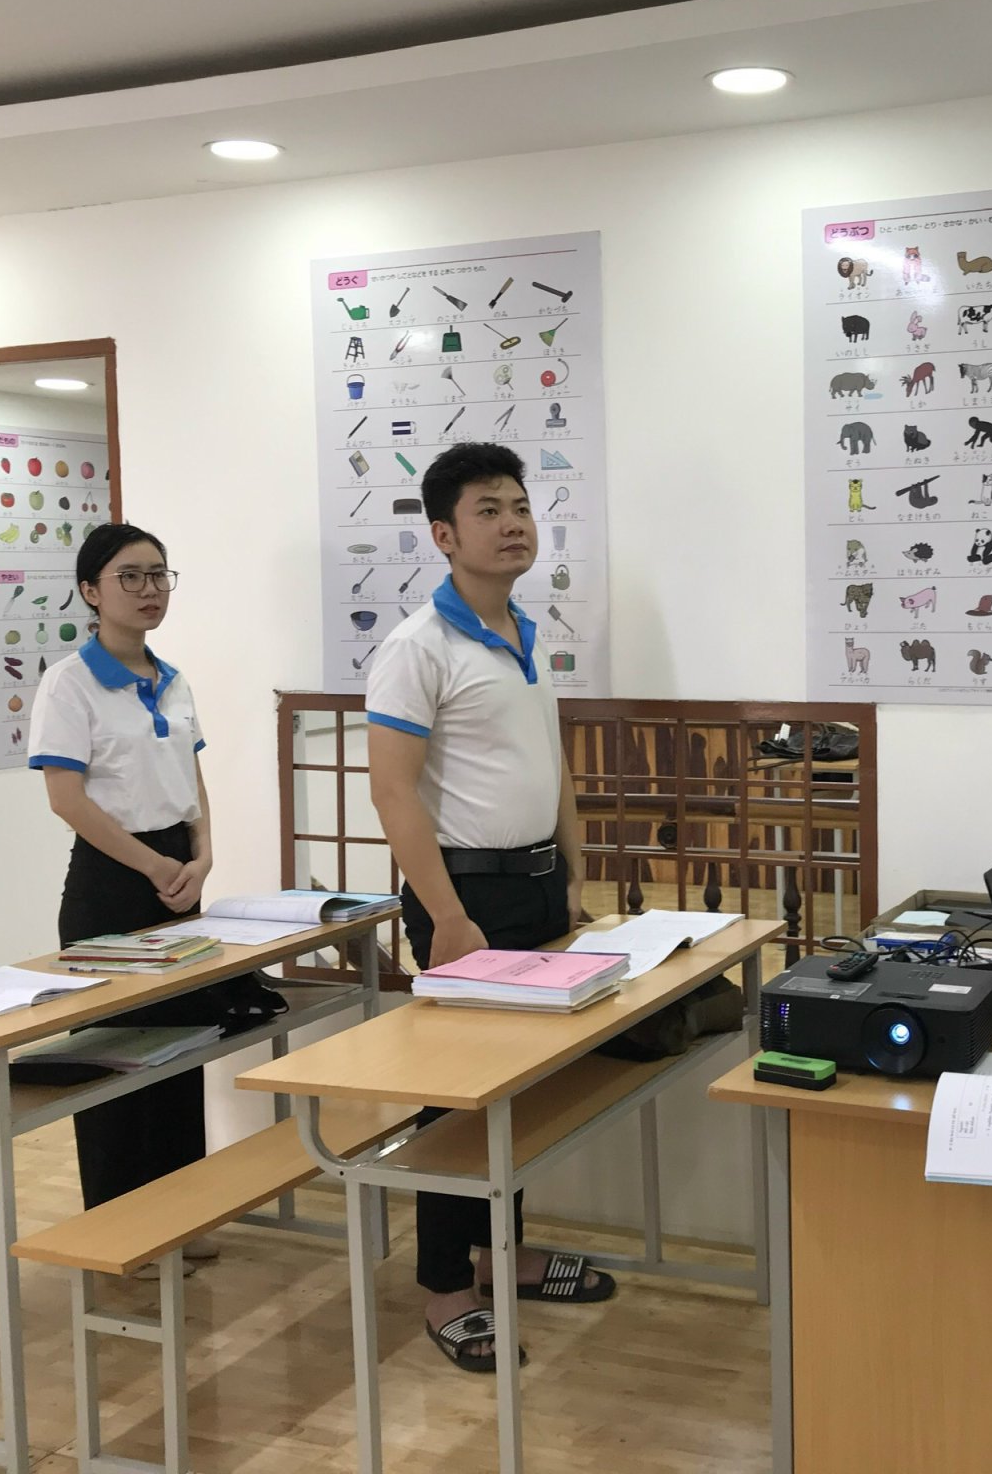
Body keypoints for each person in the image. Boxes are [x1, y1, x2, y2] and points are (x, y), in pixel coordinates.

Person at [364, 441, 613, 1373]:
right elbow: (393, 792)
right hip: (465, 897)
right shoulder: (415, 648)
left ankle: (502, 1253)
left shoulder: (524, 634)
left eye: (519, 507)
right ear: (443, 534)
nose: (512, 524)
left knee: (518, 1090)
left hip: (535, 886)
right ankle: (444, 1287)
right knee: (456, 1100)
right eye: (488, 510)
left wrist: (573, 874)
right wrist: (447, 915)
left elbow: (552, 769)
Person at [28, 524, 250, 1263]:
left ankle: (179, 1220)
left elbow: (193, 780)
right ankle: (120, 1234)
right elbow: (67, 798)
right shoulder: (69, 682)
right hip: (111, 883)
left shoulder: (174, 679)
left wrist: (204, 856)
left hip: (179, 875)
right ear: (90, 591)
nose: (149, 589)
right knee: (116, 1063)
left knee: (183, 1048)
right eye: (130, 576)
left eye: (159, 574)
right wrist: (154, 867)